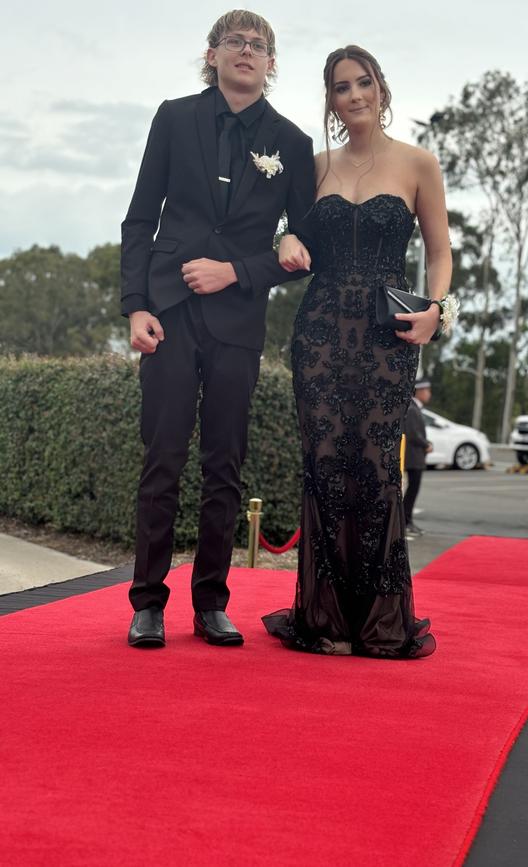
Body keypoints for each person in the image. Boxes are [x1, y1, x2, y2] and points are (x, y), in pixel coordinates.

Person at [122, 10, 315, 648]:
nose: (246, 51)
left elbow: (303, 247)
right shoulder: (174, 117)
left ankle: (211, 602)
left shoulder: (291, 142)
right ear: (212, 54)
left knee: (224, 464)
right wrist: (135, 305)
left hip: (238, 322)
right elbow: (139, 217)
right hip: (169, 313)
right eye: (235, 42)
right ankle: (147, 602)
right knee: (163, 458)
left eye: (259, 45)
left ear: (271, 64)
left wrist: (235, 271)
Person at [262, 45, 453, 658]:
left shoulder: (418, 163)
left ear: (380, 87)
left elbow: (441, 252)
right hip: (319, 334)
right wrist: (288, 234)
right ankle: (323, 619)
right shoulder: (313, 168)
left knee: (375, 470)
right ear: (330, 100)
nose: (354, 96)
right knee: (323, 469)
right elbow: (285, 234)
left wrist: (437, 312)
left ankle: (378, 622)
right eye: (341, 88)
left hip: (386, 337)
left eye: (363, 82)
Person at [404, 379, 434, 536]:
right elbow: (413, 434)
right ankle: (405, 522)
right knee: (412, 490)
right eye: (427, 390)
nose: (429, 394)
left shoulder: (414, 408)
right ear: (420, 391)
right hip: (413, 457)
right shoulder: (412, 409)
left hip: (415, 456)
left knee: (412, 490)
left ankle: (406, 521)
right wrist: (426, 444)